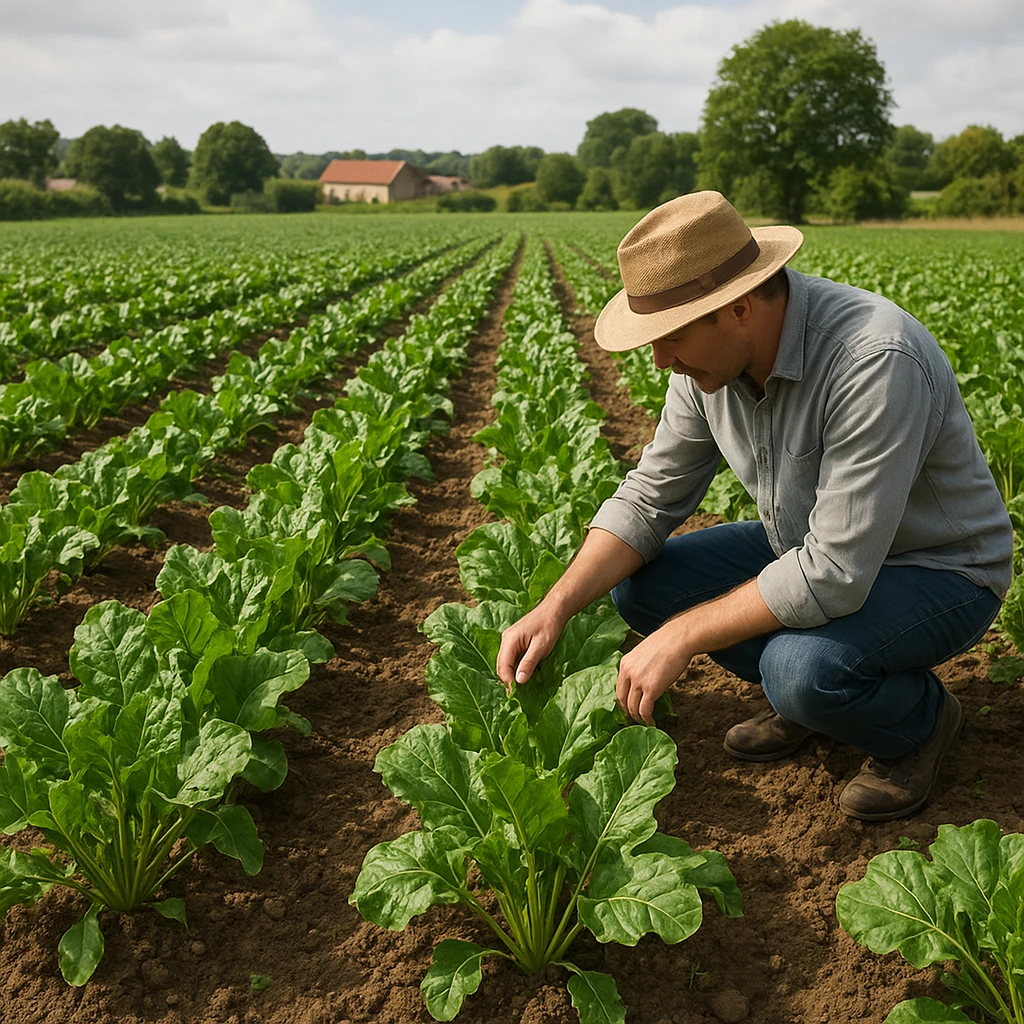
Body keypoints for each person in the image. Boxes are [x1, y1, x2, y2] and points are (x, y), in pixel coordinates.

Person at [496, 191, 1013, 822]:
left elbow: (834, 573)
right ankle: (808, 702)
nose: (660, 360)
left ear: (738, 307)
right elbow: (651, 495)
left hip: (937, 569)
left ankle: (918, 721)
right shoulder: (702, 369)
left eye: (672, 337)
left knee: (798, 669)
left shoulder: (874, 359)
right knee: (643, 589)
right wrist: (554, 606)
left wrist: (683, 636)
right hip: (808, 548)